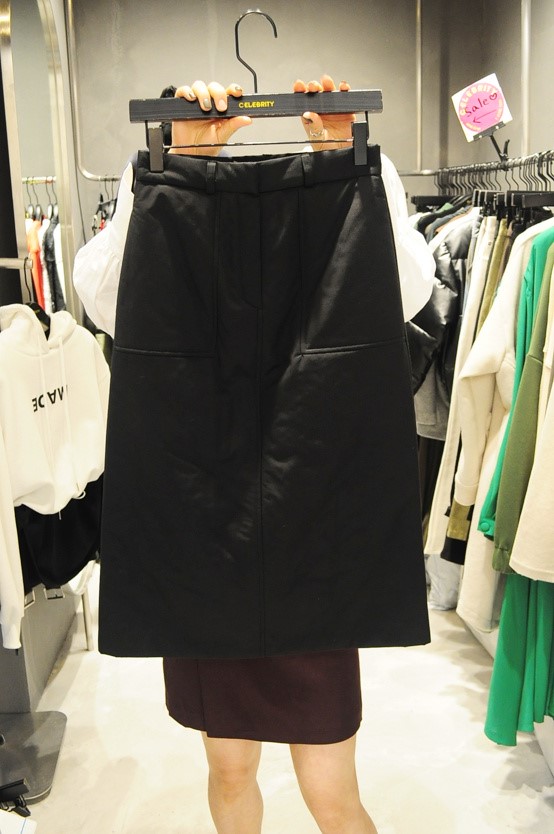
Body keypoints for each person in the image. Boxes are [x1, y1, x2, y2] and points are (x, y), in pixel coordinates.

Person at [74, 75, 434, 834]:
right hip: (207, 529)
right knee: (229, 766)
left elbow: (403, 293)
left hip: (314, 526)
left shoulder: (357, 177)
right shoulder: (156, 187)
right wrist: (181, 162)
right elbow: (106, 300)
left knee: (331, 788)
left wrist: (340, 151)